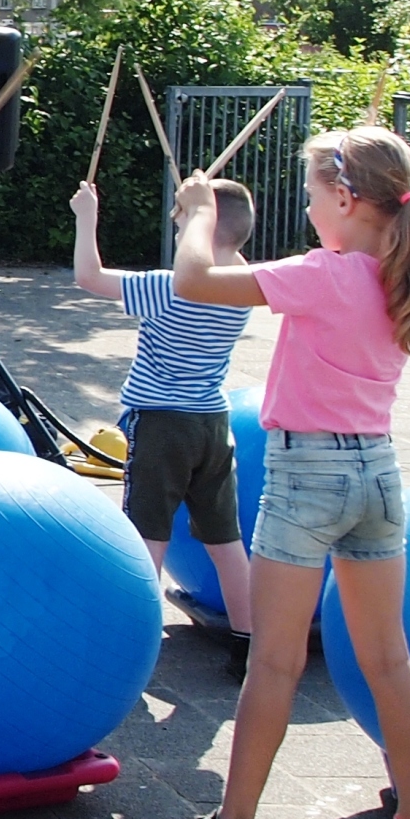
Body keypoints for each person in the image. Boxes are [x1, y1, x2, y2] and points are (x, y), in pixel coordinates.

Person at [152, 125, 410, 819]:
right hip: (377, 472)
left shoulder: (326, 273)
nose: (309, 211)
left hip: (305, 477)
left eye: (315, 196)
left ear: (347, 199)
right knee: (389, 658)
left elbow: (194, 280)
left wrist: (199, 211)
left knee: (274, 661)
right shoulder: (402, 274)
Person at [71, 176, 259, 666]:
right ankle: (248, 643)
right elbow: (226, 245)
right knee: (226, 541)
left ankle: (135, 647)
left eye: (182, 225)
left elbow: (89, 277)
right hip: (213, 424)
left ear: (201, 229)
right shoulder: (243, 288)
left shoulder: (167, 286)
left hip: (161, 425)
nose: (178, 232)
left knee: (147, 537)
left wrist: (87, 216)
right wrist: (199, 206)